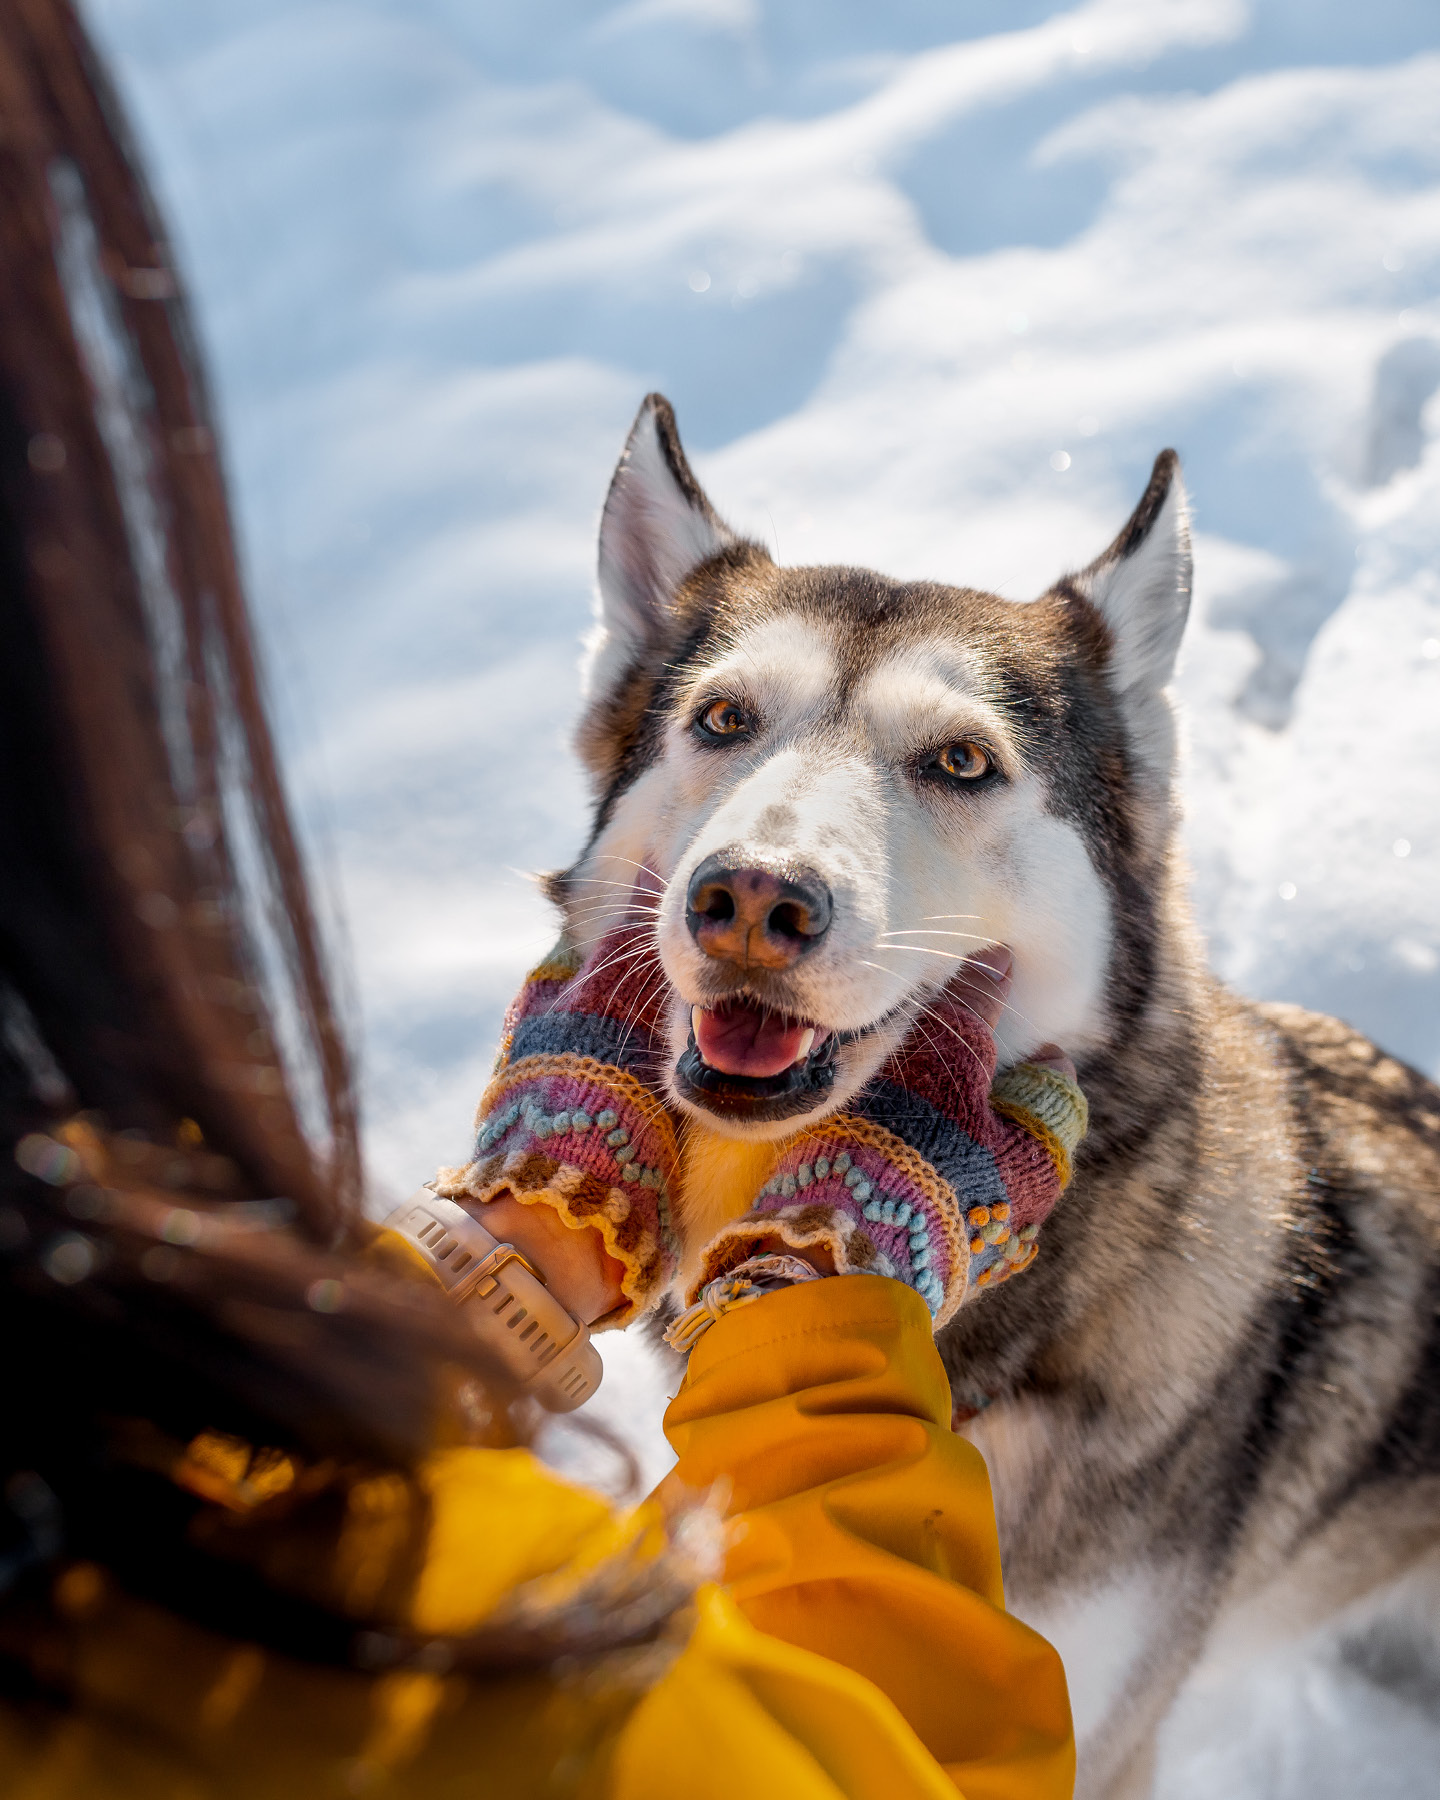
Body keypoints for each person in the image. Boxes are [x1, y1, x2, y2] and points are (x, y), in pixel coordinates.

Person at [0, 4, 1081, 1794]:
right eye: (718, 729)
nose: (764, 873)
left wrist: (505, 1257)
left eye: (954, 766)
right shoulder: (312, 1640)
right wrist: (822, 1294)